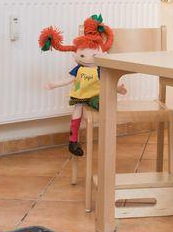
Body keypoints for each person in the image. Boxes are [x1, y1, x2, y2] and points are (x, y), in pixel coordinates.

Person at [39, 15, 128, 156]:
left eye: (93, 55)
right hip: (80, 96)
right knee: (78, 107)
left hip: (95, 96)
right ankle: (73, 140)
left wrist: (118, 89)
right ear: (76, 55)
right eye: (82, 55)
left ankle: (106, 137)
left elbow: (107, 82)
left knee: (104, 105)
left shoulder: (99, 70)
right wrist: (54, 84)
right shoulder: (79, 69)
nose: (87, 58)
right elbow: (69, 79)